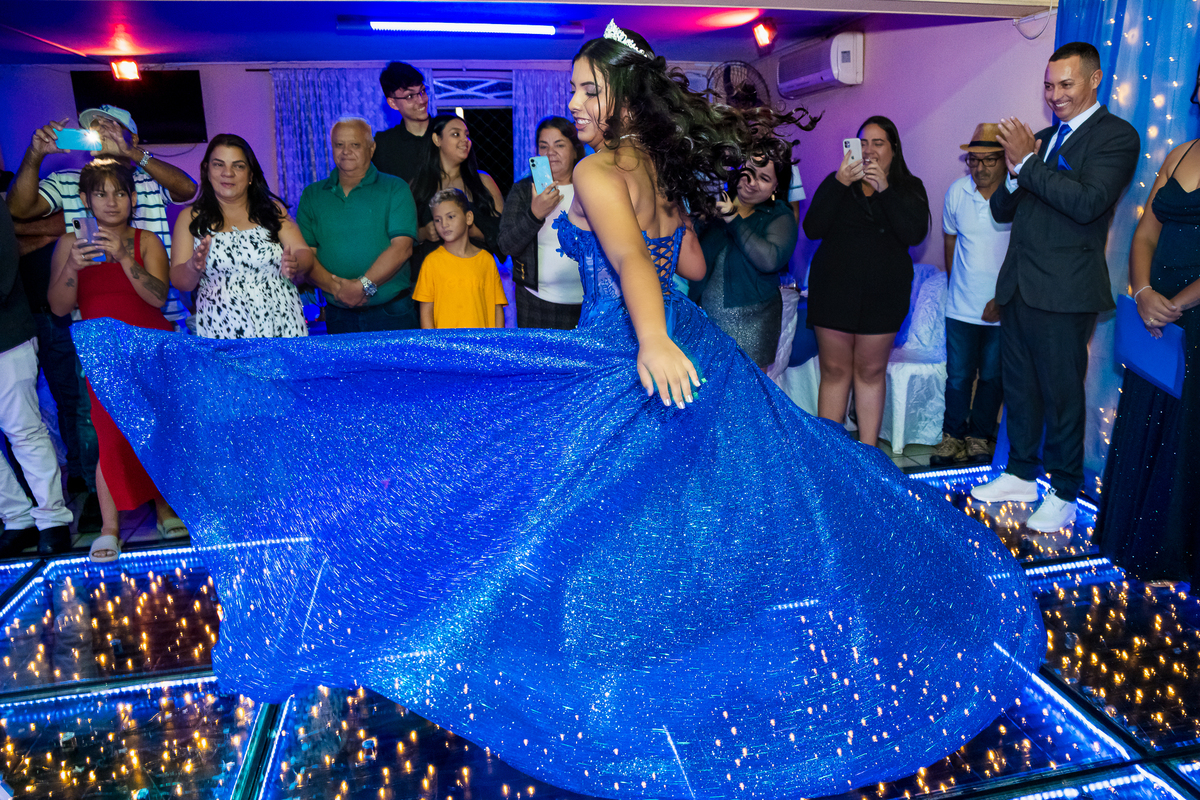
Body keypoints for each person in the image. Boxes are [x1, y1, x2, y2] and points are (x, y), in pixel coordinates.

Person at [72, 23, 1042, 800]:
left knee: (569, 502)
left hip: (636, 358)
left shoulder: (592, 171)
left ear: (619, 95)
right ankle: (655, 635)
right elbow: (689, 261)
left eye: (587, 89)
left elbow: (637, 271)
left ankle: (550, 645)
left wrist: (652, 337)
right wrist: (658, 303)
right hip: (681, 349)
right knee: (681, 508)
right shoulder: (646, 169)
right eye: (573, 90)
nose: (573, 103)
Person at [971, 42, 1140, 533]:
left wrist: (1028, 165)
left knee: (1062, 393)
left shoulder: (1117, 137)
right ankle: (1022, 473)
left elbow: (1087, 203)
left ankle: (1064, 488)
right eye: (1049, 85)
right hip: (1020, 287)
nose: (1055, 94)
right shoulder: (1040, 139)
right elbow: (1002, 209)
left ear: (1094, 80)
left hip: (1066, 291)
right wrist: (1015, 168)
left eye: (1065, 84)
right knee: (1019, 388)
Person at [45, 158, 186, 562]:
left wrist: (125, 259)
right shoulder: (72, 244)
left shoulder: (146, 241)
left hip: (148, 347)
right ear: (86, 200)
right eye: (101, 194)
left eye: (120, 193)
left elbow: (159, 298)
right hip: (102, 353)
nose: (111, 202)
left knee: (156, 430)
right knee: (109, 436)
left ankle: (164, 508)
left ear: (133, 198)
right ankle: (109, 527)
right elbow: (58, 307)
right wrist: (72, 267)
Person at [1096, 64, 1200, 587]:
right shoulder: (1179, 153)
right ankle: (1139, 544)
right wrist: (1143, 293)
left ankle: (1177, 557)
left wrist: (1176, 302)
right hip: (1157, 316)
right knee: (1152, 416)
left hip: (1190, 315)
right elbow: (1143, 234)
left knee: (1189, 434)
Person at [5, 105, 197, 325]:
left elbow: (188, 189)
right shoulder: (67, 180)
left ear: (132, 138)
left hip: (162, 320)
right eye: (95, 128)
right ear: (86, 198)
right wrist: (35, 154)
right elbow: (18, 209)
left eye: (111, 127)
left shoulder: (151, 179)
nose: (102, 133)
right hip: (94, 325)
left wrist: (132, 152)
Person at [803, 116, 930, 448]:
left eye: (878, 143)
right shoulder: (837, 182)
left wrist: (886, 190)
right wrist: (839, 183)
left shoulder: (908, 187)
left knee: (870, 373)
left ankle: (868, 456)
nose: (869, 150)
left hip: (883, 295)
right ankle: (830, 453)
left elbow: (914, 234)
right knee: (834, 371)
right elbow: (812, 228)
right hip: (833, 292)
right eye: (863, 143)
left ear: (894, 149)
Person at [170, 134, 312, 339]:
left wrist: (296, 262)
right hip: (221, 328)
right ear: (206, 170)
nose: (228, 173)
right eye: (219, 165)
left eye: (238, 166)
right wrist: (193, 266)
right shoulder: (190, 217)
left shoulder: (272, 210)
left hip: (281, 322)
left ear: (251, 175)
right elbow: (180, 282)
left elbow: (303, 251)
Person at [930, 124, 1011, 467]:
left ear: (1005, 160)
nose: (979, 168)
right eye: (973, 160)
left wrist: (1005, 297)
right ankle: (953, 436)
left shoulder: (1018, 194)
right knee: (959, 376)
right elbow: (950, 240)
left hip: (1003, 308)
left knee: (993, 377)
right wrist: (955, 284)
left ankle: (979, 437)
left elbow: (1025, 251)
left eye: (989, 160)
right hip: (960, 308)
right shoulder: (956, 193)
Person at [296, 118, 419, 334]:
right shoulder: (312, 195)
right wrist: (338, 290)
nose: (346, 151)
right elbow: (306, 255)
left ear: (371, 149)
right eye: (339, 145)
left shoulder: (395, 188)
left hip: (392, 314)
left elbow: (402, 248)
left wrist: (363, 287)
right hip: (338, 315)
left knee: (396, 370)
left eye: (355, 145)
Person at [0, 203, 72, 556]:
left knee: (24, 430)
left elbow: (2, 271)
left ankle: (52, 519)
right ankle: (16, 519)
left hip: (5, 336)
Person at [690, 140, 798, 368]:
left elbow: (770, 260)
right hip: (706, 318)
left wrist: (734, 219)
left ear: (776, 187)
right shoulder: (714, 206)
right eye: (748, 173)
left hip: (754, 320)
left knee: (744, 395)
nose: (751, 183)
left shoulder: (780, 215)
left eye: (764, 178)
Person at [497, 117, 586, 329]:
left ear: (575, 150)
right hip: (535, 301)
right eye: (543, 146)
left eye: (560, 145)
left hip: (589, 303)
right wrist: (535, 213)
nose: (550, 152)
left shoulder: (590, 189)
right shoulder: (523, 191)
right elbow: (505, 246)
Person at [409, 115, 505, 258]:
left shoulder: (483, 181)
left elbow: (505, 238)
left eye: (467, 135)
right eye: (455, 134)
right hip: (432, 274)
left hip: (475, 273)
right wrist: (424, 233)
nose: (464, 140)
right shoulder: (418, 185)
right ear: (437, 139)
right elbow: (401, 236)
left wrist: (471, 229)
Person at [413, 189, 506, 329]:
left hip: (481, 347)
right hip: (446, 348)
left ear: (468, 218)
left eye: (450, 217)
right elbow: (426, 312)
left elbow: (497, 307)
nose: (444, 224)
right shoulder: (431, 262)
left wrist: (497, 343)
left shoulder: (486, 260)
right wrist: (434, 348)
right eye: (438, 220)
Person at [373, 62, 433, 183]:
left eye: (422, 91)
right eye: (410, 96)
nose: (421, 100)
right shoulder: (383, 144)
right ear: (393, 103)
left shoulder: (446, 131)